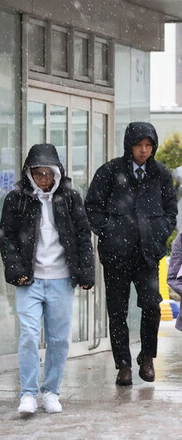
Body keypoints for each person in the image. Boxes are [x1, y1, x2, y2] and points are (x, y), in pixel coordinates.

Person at [0, 144, 94, 416]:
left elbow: (83, 237)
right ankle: (28, 393)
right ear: (29, 173)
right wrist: (16, 270)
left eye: (48, 174)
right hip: (30, 280)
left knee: (59, 339)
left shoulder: (71, 198)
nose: (43, 179)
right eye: (38, 173)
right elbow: (6, 239)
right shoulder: (16, 199)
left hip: (61, 280)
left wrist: (85, 272)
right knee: (28, 336)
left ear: (57, 174)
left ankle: (51, 390)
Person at [85, 122, 177, 386]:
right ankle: (123, 364)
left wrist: (160, 230)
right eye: (139, 145)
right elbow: (92, 206)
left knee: (151, 306)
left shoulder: (160, 173)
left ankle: (147, 358)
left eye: (149, 146)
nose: (144, 151)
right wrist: (110, 230)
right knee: (117, 311)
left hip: (148, 254)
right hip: (116, 254)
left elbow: (171, 210)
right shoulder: (110, 171)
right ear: (130, 146)